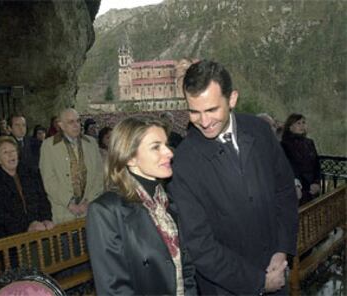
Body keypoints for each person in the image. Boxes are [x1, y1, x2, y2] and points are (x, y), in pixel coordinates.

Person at [168, 60, 298, 295]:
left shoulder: (259, 130)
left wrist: (282, 249)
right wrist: (259, 282)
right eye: (194, 112)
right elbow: (200, 245)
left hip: (276, 271)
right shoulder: (183, 162)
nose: (204, 122)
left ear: (233, 99)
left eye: (211, 110)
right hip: (227, 287)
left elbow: (285, 191)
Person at [87, 116, 196, 295]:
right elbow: (114, 290)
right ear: (130, 158)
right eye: (156, 147)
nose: (169, 152)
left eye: (166, 145)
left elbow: (187, 270)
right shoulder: (106, 211)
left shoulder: (168, 201)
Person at [0, 136, 53, 239]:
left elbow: (43, 199)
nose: (11, 155)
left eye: (13, 151)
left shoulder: (31, 173)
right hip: (11, 238)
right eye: (5, 152)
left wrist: (46, 219)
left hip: (39, 231)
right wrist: (26, 226)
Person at [39, 108, 103, 223]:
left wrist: (88, 202)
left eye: (78, 121)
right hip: (63, 210)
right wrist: (69, 203)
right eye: (71, 122)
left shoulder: (91, 143)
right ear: (61, 125)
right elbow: (49, 180)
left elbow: (99, 175)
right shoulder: (48, 146)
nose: (76, 125)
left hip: (90, 209)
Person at [281, 113, 321, 205]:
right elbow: (288, 167)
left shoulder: (310, 143)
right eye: (298, 123)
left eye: (303, 122)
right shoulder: (284, 144)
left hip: (313, 186)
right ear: (290, 126)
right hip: (297, 187)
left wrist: (316, 182)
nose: (302, 125)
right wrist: (296, 185)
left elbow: (316, 164)